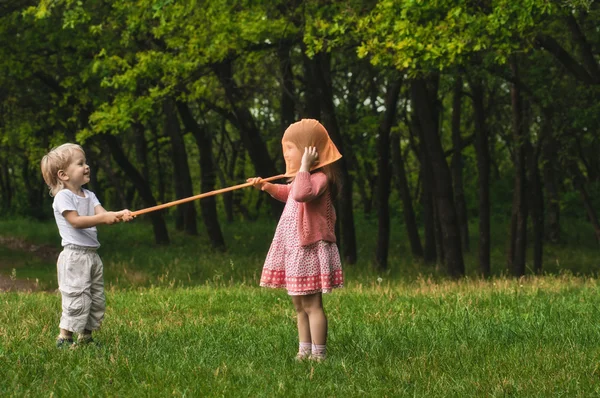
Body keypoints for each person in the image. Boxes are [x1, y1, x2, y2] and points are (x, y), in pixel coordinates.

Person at [248, 119, 343, 361]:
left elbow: (301, 194)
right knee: (299, 307)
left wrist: (304, 166)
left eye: (291, 148)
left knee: (312, 305)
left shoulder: (319, 179)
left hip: (309, 250)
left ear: (309, 151)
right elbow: (289, 192)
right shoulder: (302, 179)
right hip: (294, 250)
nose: (286, 153)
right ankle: (304, 350)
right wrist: (268, 187)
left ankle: (319, 354)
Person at [40, 143, 133, 348]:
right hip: (74, 257)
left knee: (95, 297)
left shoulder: (89, 195)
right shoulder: (63, 197)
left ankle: (86, 338)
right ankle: (65, 338)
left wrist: (119, 214)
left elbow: (103, 214)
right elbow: (76, 221)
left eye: (86, 162)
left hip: (92, 256)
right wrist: (104, 218)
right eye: (80, 163)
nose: (87, 166)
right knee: (77, 296)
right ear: (63, 175)